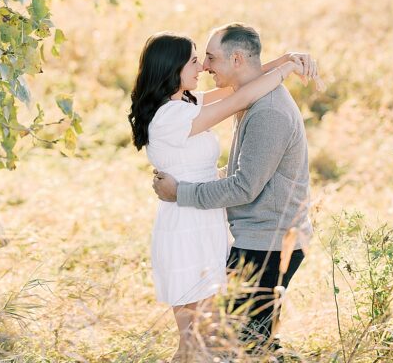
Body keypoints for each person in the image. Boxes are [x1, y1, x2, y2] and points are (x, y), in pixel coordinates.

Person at [130, 32, 309, 362]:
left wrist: (282, 61)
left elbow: (237, 84)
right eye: (194, 60)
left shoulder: (184, 103)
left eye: (205, 59)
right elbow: (238, 98)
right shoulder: (171, 117)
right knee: (195, 342)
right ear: (173, 68)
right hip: (186, 224)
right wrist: (285, 72)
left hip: (206, 219)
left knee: (209, 338)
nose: (202, 67)